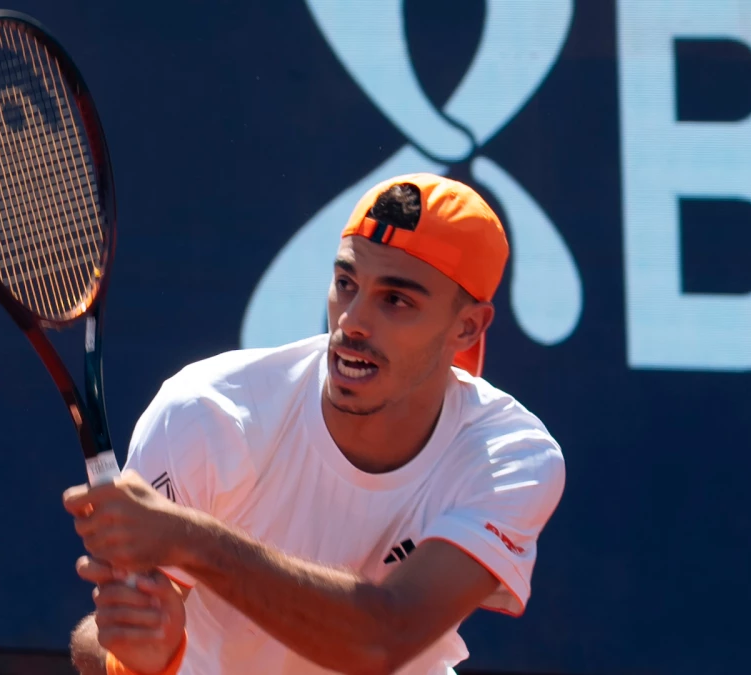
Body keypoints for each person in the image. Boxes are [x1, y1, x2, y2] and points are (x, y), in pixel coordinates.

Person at [63, 173, 566, 675]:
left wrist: (194, 541)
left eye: (396, 300)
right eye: (346, 284)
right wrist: (131, 662)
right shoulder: (207, 413)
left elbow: (382, 641)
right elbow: (111, 638)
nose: (351, 322)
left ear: (468, 326)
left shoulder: (510, 456)